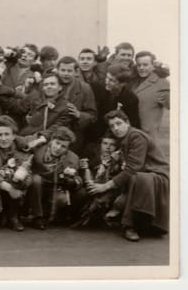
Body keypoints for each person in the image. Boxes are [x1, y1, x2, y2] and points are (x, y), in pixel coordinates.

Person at [87, 110, 169, 242]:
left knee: (138, 178)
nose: (116, 128)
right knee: (134, 178)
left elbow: (133, 168)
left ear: (127, 123)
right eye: (112, 126)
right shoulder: (126, 138)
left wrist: (105, 186)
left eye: (118, 123)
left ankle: (129, 226)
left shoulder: (136, 136)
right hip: (144, 175)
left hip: (157, 176)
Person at [28, 126, 87, 230]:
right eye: (57, 143)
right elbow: (22, 143)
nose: (58, 148)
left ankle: (54, 215)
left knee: (62, 199)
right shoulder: (38, 150)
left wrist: (73, 182)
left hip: (55, 187)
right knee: (35, 180)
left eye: (63, 146)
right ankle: (37, 216)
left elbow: (78, 178)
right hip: (36, 187)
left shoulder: (72, 158)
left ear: (68, 148)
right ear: (51, 141)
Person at [0, 70, 74, 146]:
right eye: (46, 85)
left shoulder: (65, 107)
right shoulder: (34, 97)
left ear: (60, 87)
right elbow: (17, 108)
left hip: (45, 142)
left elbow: (55, 129)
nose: (49, 86)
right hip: (24, 137)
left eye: (52, 84)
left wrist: (39, 139)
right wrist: (11, 92)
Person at [0, 44, 42, 127]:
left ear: (34, 61)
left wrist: (13, 92)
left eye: (30, 55)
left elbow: (28, 100)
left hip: (16, 121)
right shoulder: (2, 66)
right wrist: (5, 52)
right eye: (23, 52)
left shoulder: (34, 78)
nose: (25, 55)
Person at [55, 56, 97, 152]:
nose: (66, 74)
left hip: (74, 137)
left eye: (69, 71)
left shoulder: (85, 88)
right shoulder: (51, 84)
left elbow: (93, 115)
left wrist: (79, 114)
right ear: (57, 70)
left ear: (76, 72)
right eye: (63, 70)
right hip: (52, 133)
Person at [130, 51, 170, 142]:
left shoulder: (161, 83)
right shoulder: (133, 81)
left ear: (153, 66)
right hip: (132, 132)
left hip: (148, 135)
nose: (141, 68)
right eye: (139, 65)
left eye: (145, 65)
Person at [93, 63, 140, 140]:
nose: (106, 82)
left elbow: (133, 124)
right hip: (96, 135)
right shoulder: (99, 89)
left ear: (122, 84)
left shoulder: (131, 99)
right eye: (107, 78)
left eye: (111, 80)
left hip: (117, 137)